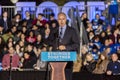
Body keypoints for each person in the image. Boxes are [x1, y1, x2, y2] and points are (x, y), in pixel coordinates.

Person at [52, 12, 79, 80]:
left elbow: (76, 44)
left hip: (67, 59)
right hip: (56, 59)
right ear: (57, 20)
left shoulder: (72, 31)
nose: (61, 21)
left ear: (66, 19)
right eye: (59, 19)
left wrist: (65, 47)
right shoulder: (54, 30)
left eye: (63, 19)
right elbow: (50, 42)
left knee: (67, 77)